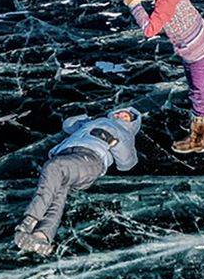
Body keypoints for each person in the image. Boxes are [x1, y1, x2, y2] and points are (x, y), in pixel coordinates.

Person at [116, 0, 204, 154]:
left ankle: (199, 136)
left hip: (195, 46)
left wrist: (132, 3)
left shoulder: (167, 0)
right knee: (201, 84)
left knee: (198, 90)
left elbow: (150, 29)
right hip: (199, 35)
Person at [15, 108, 142, 256]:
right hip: (68, 157)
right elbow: (68, 125)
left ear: (132, 122)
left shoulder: (125, 133)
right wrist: (88, 119)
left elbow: (127, 163)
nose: (120, 115)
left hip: (90, 160)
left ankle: (29, 222)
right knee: (58, 191)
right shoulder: (94, 122)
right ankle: (42, 237)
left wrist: (114, 142)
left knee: (54, 167)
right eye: (118, 113)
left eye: (125, 116)